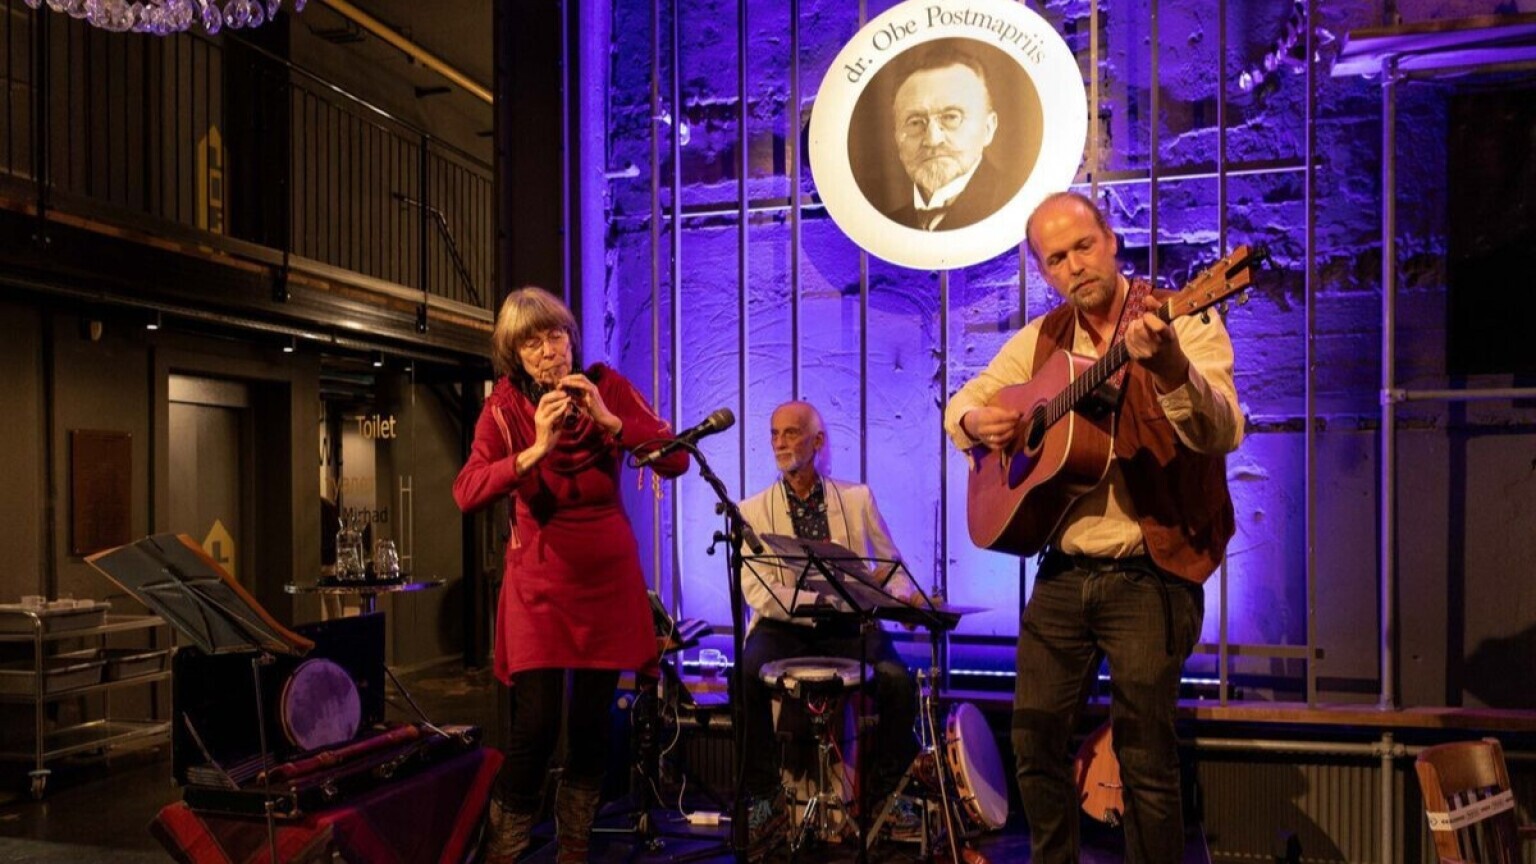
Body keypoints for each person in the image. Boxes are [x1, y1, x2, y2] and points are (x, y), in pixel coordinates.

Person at [943, 192, 1243, 864]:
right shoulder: (1042, 340)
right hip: (1064, 573)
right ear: (1043, 271)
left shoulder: (1183, 316)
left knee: (1144, 758)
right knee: (1032, 740)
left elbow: (1222, 430)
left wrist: (1169, 368)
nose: (1075, 265)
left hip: (1151, 571)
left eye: (1083, 246)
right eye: (1056, 258)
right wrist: (974, 422)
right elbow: (964, 401)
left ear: (1110, 240)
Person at [453, 286, 689, 864]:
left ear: (571, 338)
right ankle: (503, 853)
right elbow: (468, 491)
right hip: (539, 582)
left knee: (591, 726)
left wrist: (610, 421)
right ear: (515, 355)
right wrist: (535, 449)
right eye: (532, 343)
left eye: (555, 335)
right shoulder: (504, 408)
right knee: (535, 728)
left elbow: (677, 458)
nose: (548, 351)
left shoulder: (607, 386)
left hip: (606, 579)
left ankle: (574, 849)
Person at [736, 400, 920, 858]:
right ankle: (764, 798)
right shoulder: (752, 510)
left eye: (791, 432)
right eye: (774, 433)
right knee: (743, 675)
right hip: (784, 624)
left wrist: (898, 597)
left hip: (847, 622)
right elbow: (756, 588)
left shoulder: (856, 499)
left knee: (898, 681)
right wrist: (815, 602)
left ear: (817, 441)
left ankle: (888, 798)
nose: (780, 442)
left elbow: (891, 565)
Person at [885, 42, 1018, 231]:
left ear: (988, 128)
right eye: (915, 122)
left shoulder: (1018, 207)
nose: (932, 140)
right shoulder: (884, 227)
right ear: (897, 136)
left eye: (951, 117)